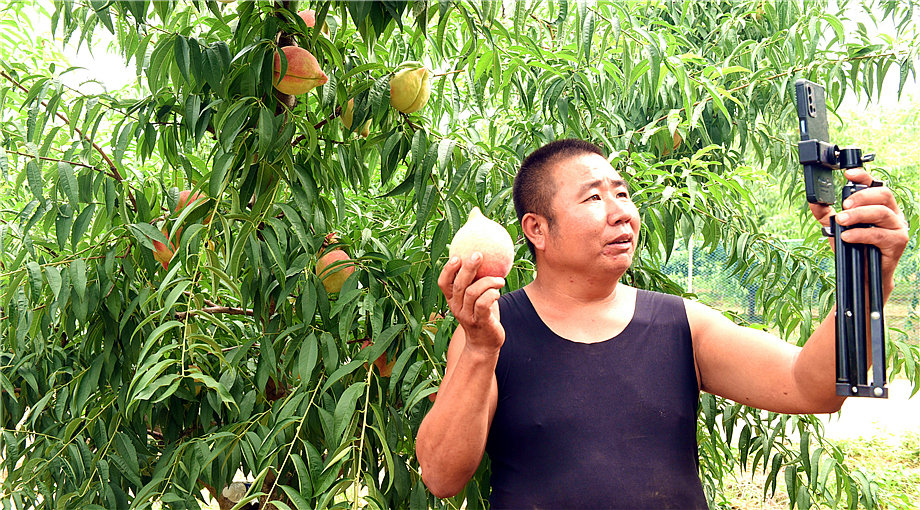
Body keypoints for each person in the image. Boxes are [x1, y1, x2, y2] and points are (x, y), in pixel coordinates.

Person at [415, 139, 909, 509]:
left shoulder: (681, 325)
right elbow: (441, 476)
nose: (621, 214)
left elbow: (811, 386)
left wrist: (868, 281)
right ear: (537, 229)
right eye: (593, 199)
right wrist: (479, 350)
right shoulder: (491, 332)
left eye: (623, 194)